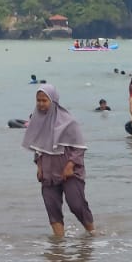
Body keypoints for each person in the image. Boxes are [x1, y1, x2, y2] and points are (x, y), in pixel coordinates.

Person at [24, 85, 96, 238]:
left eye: (44, 100)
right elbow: (38, 148)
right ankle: (59, 243)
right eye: (38, 100)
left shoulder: (69, 122)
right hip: (48, 172)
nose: (41, 104)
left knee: (76, 204)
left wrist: (70, 165)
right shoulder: (37, 122)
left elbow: (79, 147)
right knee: (52, 207)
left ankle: (92, 232)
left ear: (53, 101)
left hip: (69, 172)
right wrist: (39, 167)